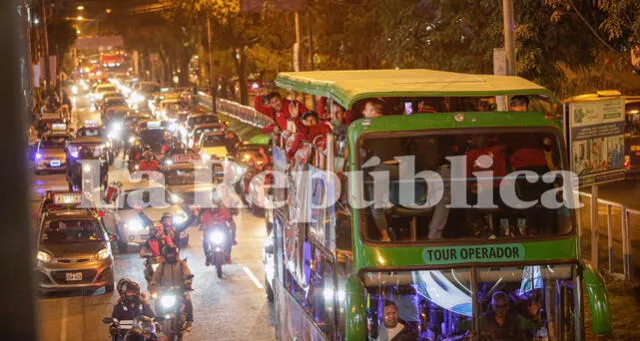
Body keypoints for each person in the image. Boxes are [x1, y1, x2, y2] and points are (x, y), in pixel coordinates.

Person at [150, 246, 194, 330]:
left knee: (187, 299)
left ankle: (189, 321)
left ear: (175, 254)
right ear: (165, 255)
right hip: (165, 292)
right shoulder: (161, 266)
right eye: (168, 254)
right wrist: (153, 287)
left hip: (180, 290)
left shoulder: (181, 264)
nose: (170, 256)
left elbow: (187, 274)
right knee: (157, 302)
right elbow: (155, 277)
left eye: (172, 254)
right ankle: (159, 320)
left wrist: (187, 283)